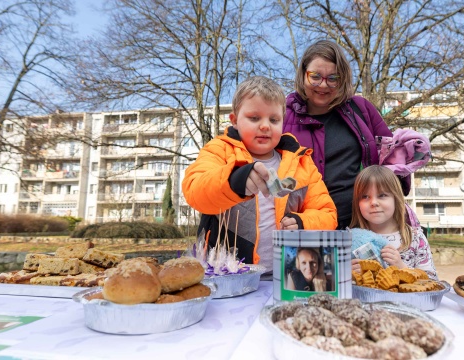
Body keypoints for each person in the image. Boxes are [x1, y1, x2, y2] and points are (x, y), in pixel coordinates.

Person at [182, 76, 337, 274]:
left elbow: (328, 214)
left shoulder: (302, 162)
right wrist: (234, 180)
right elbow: (195, 192)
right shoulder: (219, 150)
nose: (265, 126)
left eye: (274, 119)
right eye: (254, 118)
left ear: (283, 122)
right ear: (234, 120)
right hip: (227, 275)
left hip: (289, 276)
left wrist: (302, 222)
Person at [284, 40, 393, 230]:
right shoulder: (283, 115)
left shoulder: (360, 110)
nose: (323, 85)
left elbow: (391, 156)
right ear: (303, 74)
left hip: (357, 222)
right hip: (302, 224)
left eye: (332, 78)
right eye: (315, 76)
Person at [350, 166, 438, 280]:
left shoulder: (415, 238)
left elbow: (433, 281)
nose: (374, 202)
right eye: (365, 197)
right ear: (357, 203)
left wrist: (402, 267)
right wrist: (347, 275)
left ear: (396, 198)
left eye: (382, 195)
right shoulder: (350, 240)